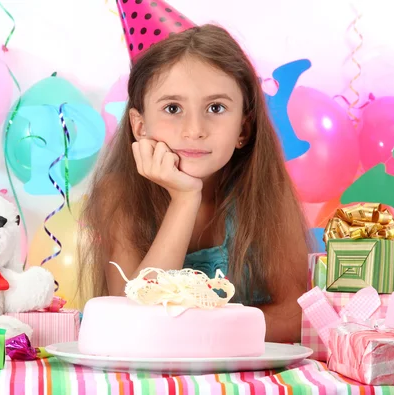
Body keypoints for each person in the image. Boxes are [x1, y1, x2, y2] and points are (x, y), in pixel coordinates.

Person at [77, 24, 312, 343]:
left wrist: (188, 331)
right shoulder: (118, 193)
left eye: (216, 108)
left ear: (243, 128)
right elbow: (131, 318)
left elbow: (294, 315)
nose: (195, 129)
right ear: (140, 126)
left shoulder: (266, 193)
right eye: (173, 108)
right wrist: (185, 199)